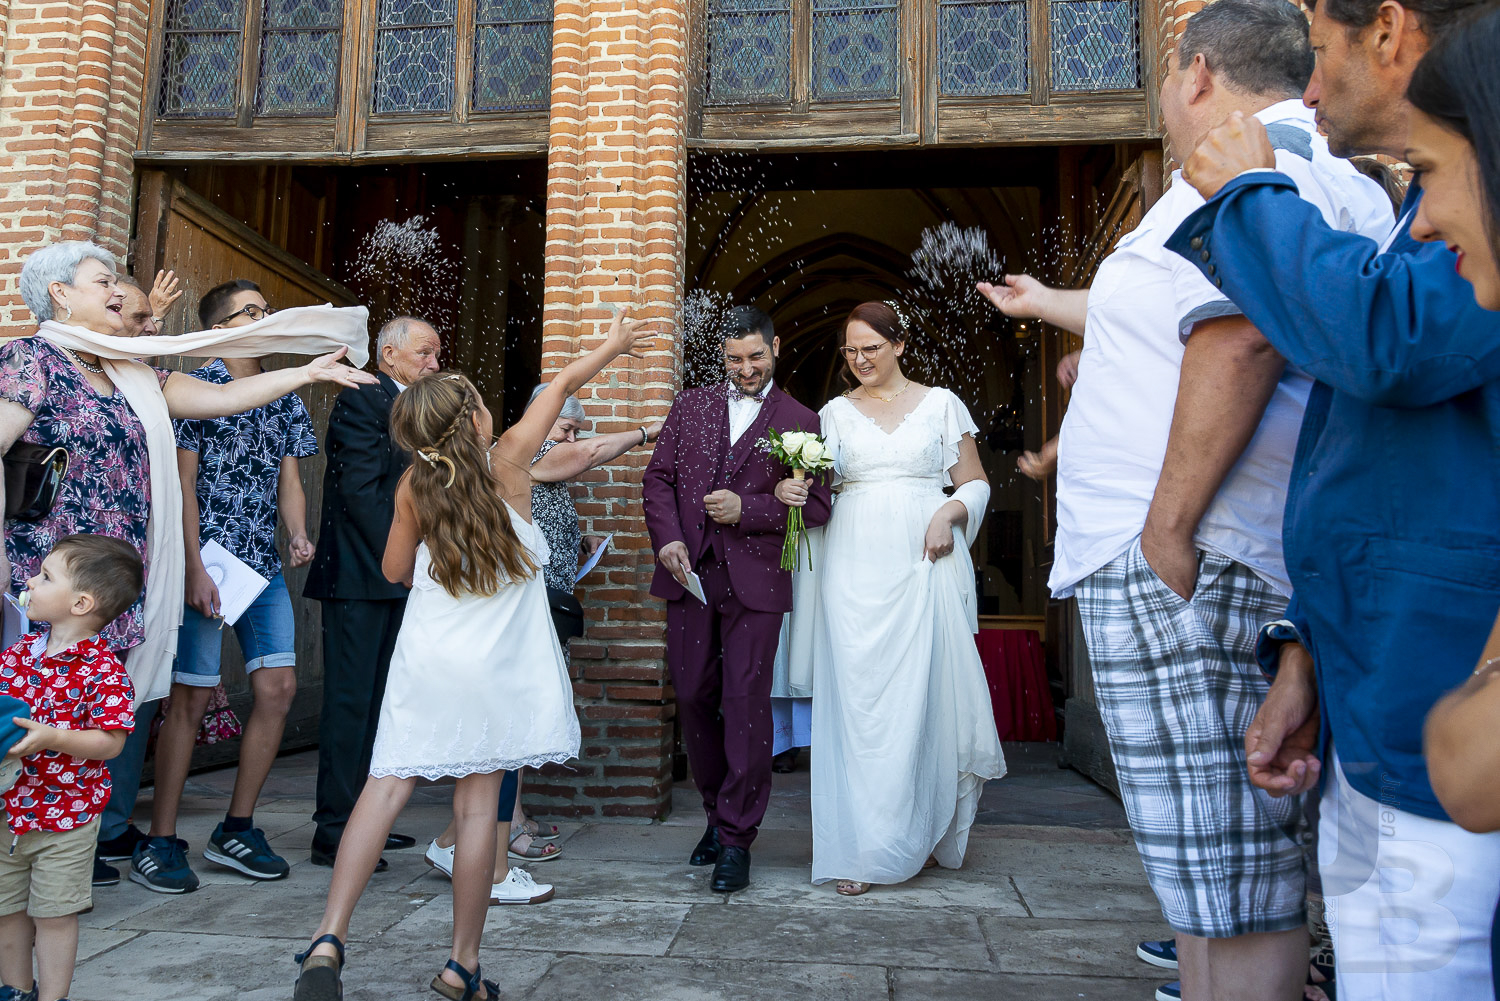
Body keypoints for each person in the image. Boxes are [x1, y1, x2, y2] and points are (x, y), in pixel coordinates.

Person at [981, 4, 1395, 999]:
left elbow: (1241, 339)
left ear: (1196, 70)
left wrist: (1165, 534)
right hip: (1196, 563)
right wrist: (1053, 307)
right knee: (1209, 887)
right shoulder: (1242, 180)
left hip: (1199, 563)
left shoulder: (1263, 174)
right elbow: (1189, 316)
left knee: (1240, 888)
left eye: (1168, 79)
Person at [1167, 1, 1500, 997]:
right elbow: (1374, 461)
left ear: (1389, 31)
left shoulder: (1472, 218)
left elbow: (1388, 339)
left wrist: (1251, 195)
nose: (1308, 93)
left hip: (1435, 693)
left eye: (1317, 54)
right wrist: (1303, 653)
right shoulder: (1431, 206)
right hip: (1375, 683)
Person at [292, 314, 652, 1001]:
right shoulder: (512, 460)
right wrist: (614, 343)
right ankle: (462, 964)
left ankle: (328, 938)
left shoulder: (415, 487)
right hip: (498, 671)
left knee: (387, 785)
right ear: (476, 419)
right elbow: (568, 381)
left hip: (431, 660)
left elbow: (396, 570)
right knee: (480, 805)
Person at [0, 241, 373, 886]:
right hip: (49, 575)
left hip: (119, 578)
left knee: (101, 707)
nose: (120, 289)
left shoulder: (131, 370)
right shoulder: (29, 360)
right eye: (102, 280)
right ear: (60, 294)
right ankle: (27, 849)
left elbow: (218, 397)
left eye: (119, 277)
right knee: (39, 707)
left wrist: (305, 375)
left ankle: (81, 843)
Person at [803, 301, 1005, 897]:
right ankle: (864, 842)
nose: (860, 359)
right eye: (850, 350)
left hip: (923, 560)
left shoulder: (942, 403)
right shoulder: (833, 414)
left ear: (899, 344)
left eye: (871, 346)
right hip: (852, 566)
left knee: (920, 696)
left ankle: (916, 831)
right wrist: (793, 488)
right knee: (861, 702)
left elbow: (975, 481)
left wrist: (950, 509)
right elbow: (820, 493)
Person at [126, 280, 320, 894]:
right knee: (191, 696)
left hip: (259, 567)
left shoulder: (283, 391)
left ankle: (237, 826)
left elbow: (289, 474)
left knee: (279, 687)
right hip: (204, 560)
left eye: (266, 311)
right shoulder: (198, 387)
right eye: (250, 312)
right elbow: (182, 483)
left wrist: (297, 531)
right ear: (219, 327)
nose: (262, 319)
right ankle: (159, 840)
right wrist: (192, 568)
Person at [424, 385, 663, 875]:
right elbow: (591, 452)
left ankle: (508, 820)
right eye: (564, 427)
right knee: (514, 717)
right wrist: (647, 430)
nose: (570, 438)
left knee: (521, 716)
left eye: (574, 430)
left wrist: (580, 535)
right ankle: (495, 832)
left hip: (542, 600)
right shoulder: (523, 451)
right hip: (525, 606)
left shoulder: (530, 457)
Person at [642, 304, 831, 894]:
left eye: (755, 357)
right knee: (695, 698)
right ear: (720, 357)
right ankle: (714, 814)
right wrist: (669, 538)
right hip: (691, 577)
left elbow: (820, 507)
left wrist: (749, 509)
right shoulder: (690, 405)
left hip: (757, 584)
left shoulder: (803, 419)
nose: (745, 368)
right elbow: (658, 480)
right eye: (734, 358)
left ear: (774, 351)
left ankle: (737, 839)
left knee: (745, 704)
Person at [303, 316, 440, 869]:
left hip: (398, 579)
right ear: (388, 353)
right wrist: (403, 561)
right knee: (350, 704)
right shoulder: (365, 397)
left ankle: (367, 822)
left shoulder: (417, 404)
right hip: (362, 577)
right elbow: (361, 491)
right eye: (425, 353)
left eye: (436, 354)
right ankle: (334, 831)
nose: (435, 363)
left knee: (384, 706)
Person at [0, 535, 141, 1001]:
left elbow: (112, 741)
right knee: (6, 909)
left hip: (67, 817)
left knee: (55, 913)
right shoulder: (20, 652)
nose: (31, 582)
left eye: (44, 577)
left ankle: (52, 997)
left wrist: (54, 737)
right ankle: (16, 989)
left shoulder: (102, 669)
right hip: (8, 812)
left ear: (80, 603)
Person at [85, 271, 182, 886]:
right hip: (63, 563)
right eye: (135, 315)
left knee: (127, 694)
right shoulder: (40, 363)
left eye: (150, 319)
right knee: (71, 697)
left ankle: (111, 827)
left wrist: (305, 369)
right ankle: (72, 831)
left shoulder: (141, 378)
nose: (145, 327)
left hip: (132, 563)